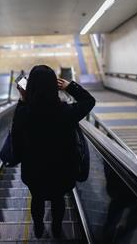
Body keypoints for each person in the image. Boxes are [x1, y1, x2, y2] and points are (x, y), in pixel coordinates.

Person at [11, 65, 96, 238]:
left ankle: (38, 227)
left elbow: (16, 141)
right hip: (62, 172)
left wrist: (23, 98)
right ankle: (57, 228)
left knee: (37, 199)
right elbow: (89, 101)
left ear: (31, 86)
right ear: (54, 86)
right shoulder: (66, 112)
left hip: (34, 172)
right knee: (58, 199)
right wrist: (70, 86)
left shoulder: (23, 113)